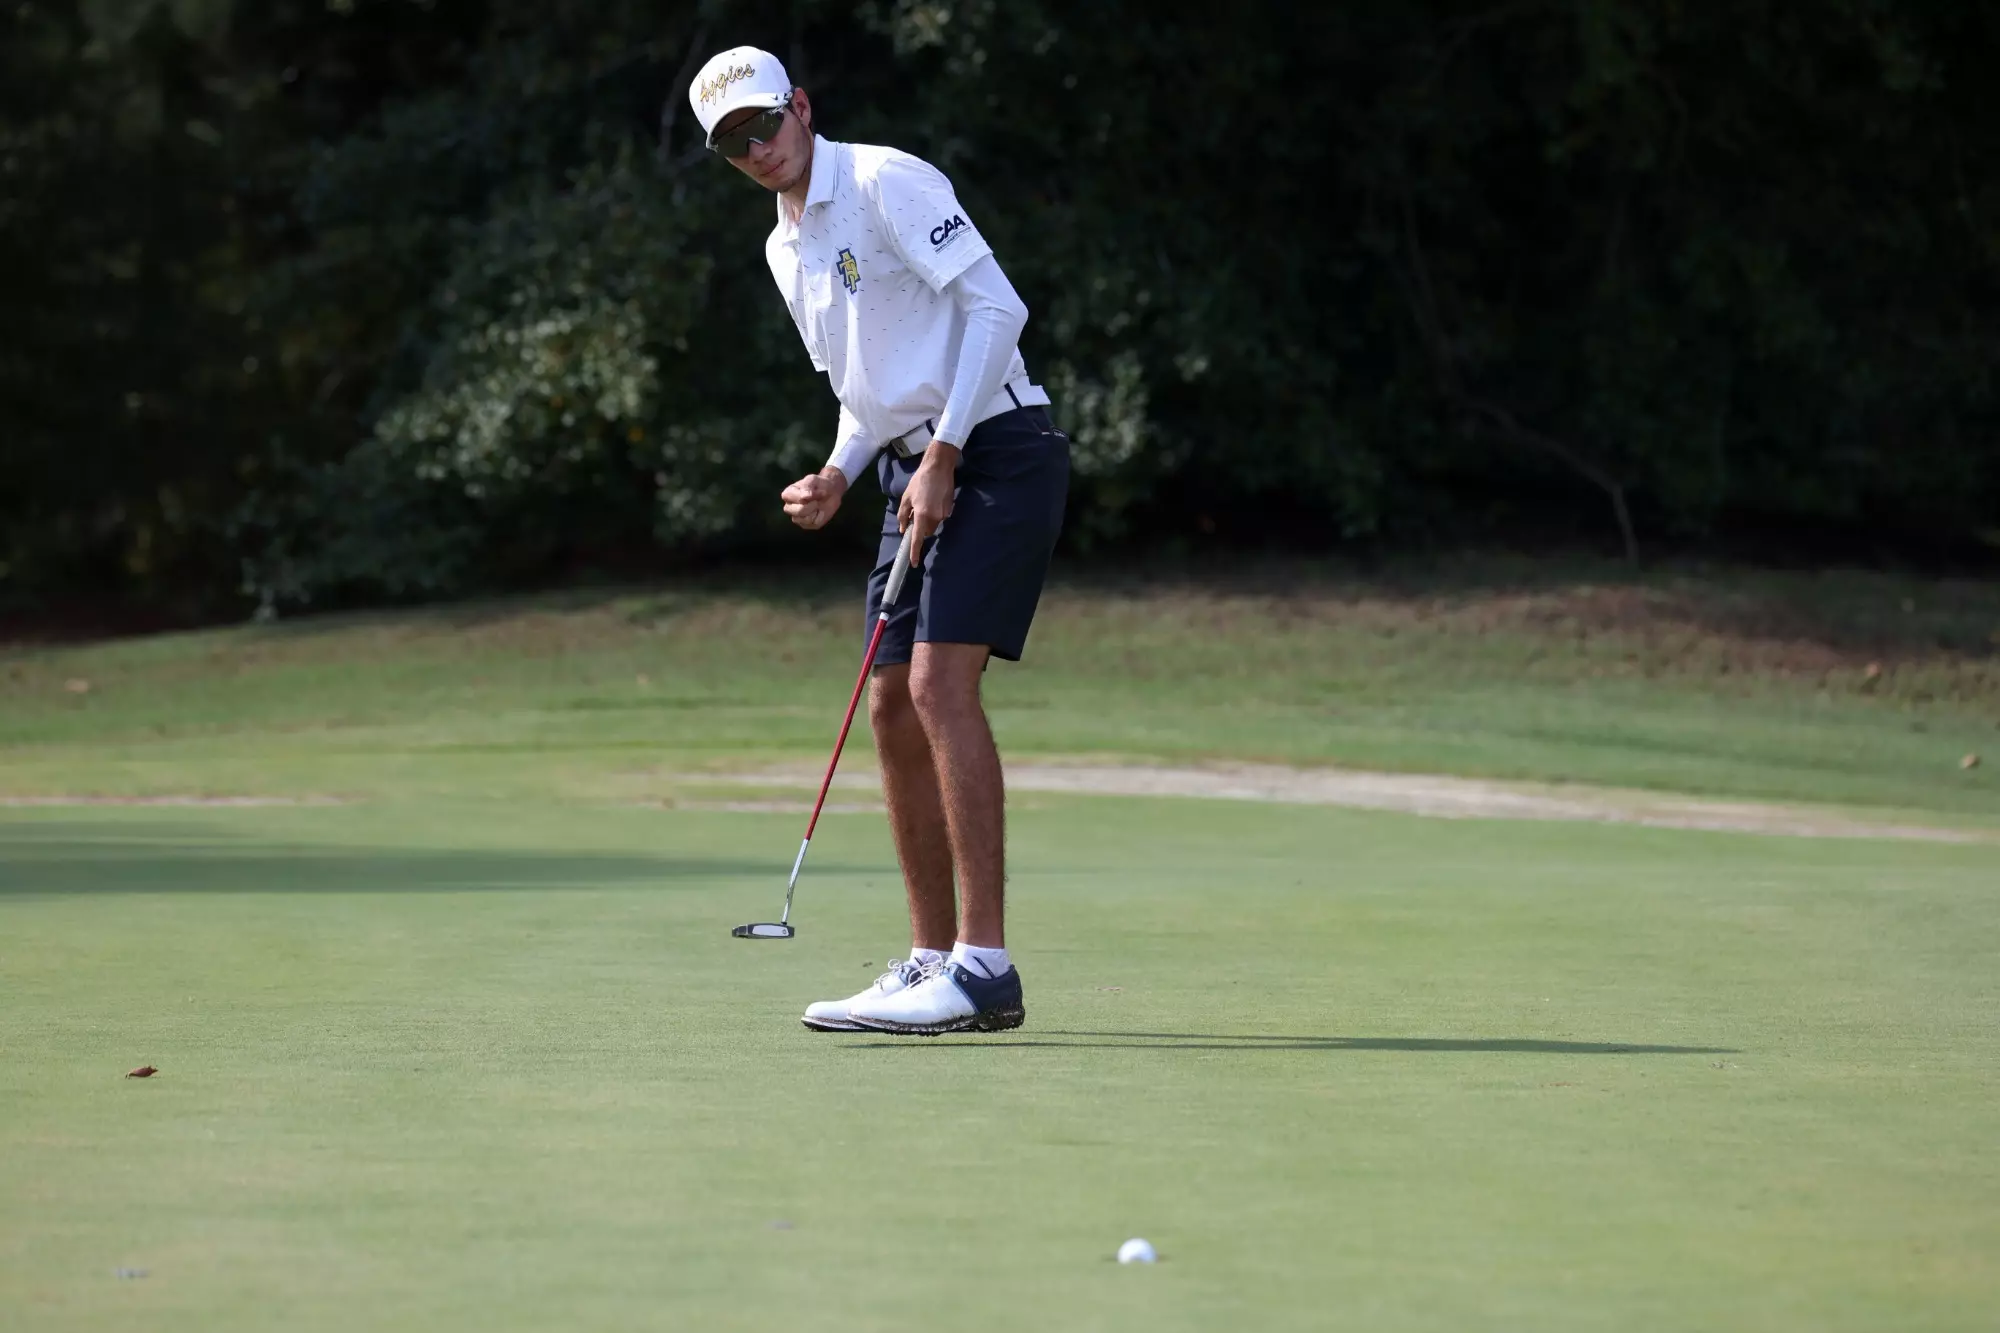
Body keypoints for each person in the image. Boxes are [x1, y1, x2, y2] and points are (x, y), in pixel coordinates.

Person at [688, 47, 1070, 1035]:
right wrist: (838, 473)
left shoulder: (882, 179)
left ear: (802, 108)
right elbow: (867, 386)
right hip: (914, 466)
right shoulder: (783, 250)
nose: (757, 149)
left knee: (941, 685)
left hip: (997, 446)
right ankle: (929, 961)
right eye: (734, 143)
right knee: (890, 703)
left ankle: (985, 966)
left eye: (764, 124)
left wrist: (943, 452)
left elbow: (998, 308)